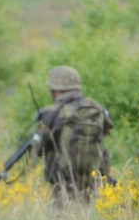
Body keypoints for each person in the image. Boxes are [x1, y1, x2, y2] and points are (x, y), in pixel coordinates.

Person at [31, 65, 114, 204]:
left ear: (56, 90)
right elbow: (107, 130)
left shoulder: (52, 113)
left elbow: (37, 149)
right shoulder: (95, 108)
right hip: (94, 181)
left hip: (63, 185)